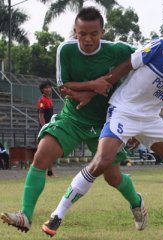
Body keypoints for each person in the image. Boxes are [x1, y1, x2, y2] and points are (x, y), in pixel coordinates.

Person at [44, 22, 163, 235]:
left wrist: (141, 134)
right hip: (123, 110)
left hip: (150, 119)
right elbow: (126, 66)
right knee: (101, 162)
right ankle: (57, 215)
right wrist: (92, 92)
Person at [1, 7, 146, 236]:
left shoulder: (117, 50)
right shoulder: (65, 50)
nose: (88, 39)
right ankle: (26, 215)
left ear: (102, 32)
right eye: (82, 34)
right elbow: (63, 87)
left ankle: (137, 202)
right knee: (41, 154)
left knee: (113, 177)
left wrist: (133, 116)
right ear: (75, 32)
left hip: (107, 121)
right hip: (74, 116)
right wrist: (95, 86)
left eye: (94, 34)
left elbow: (144, 61)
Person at [37, 80, 55, 177]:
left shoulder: (50, 100)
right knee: (43, 151)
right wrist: (44, 127)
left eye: (49, 87)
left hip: (50, 127)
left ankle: (50, 172)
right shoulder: (42, 101)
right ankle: (40, 172)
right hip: (45, 129)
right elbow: (41, 116)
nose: (49, 89)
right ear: (42, 90)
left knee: (50, 151)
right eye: (46, 87)